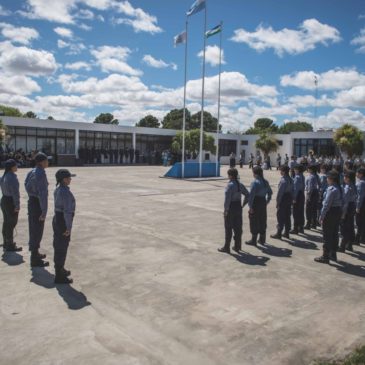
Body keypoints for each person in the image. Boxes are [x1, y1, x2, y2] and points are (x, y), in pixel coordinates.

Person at [25, 152, 49, 267]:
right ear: (41, 162)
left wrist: (32, 193)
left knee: (33, 228)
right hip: (37, 204)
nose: (47, 162)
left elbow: (25, 184)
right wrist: (44, 211)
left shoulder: (31, 171)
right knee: (37, 230)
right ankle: (34, 258)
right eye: (46, 160)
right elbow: (43, 194)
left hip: (32, 201)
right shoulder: (41, 174)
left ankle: (36, 253)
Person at [53, 169, 76, 284]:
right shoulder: (64, 192)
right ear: (63, 179)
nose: (70, 179)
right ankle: (59, 275)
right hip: (63, 219)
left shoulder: (58, 189)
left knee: (58, 245)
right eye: (68, 178)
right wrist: (68, 227)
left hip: (57, 218)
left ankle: (60, 269)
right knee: (61, 247)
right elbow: (67, 211)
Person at [218, 168, 249, 254]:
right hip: (238, 207)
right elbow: (247, 194)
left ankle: (226, 247)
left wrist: (226, 210)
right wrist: (243, 204)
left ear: (230, 176)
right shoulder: (240, 184)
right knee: (238, 228)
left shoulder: (230, 185)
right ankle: (237, 246)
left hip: (231, 207)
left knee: (228, 228)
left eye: (228, 175)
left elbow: (227, 200)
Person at [315, 170, 343, 263]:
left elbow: (326, 205)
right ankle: (333, 254)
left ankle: (325, 256)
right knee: (334, 233)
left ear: (331, 179)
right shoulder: (339, 188)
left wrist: (321, 216)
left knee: (327, 234)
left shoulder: (331, 189)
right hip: (337, 212)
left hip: (330, 213)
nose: (326, 179)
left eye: (328, 177)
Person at [245, 166, 272, 246]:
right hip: (263, 201)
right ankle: (262, 239)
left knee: (254, 221)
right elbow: (270, 192)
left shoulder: (255, 182)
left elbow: (251, 196)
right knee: (262, 219)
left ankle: (253, 240)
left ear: (255, 174)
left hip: (256, 202)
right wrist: (267, 201)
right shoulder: (265, 182)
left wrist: (250, 207)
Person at [0, 159, 22, 252]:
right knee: (11, 223)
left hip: (4, 200)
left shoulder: (3, 176)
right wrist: (17, 205)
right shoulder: (12, 177)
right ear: (11, 167)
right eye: (15, 165)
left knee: (6, 222)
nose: (17, 166)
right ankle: (9, 245)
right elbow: (15, 193)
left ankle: (6, 242)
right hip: (10, 201)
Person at [271, 165, 293, 240]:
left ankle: (279, 233)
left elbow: (280, 193)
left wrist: (278, 202)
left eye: (281, 170)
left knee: (280, 216)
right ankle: (286, 232)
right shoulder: (290, 179)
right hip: (289, 198)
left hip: (283, 198)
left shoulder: (283, 180)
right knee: (287, 215)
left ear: (283, 171)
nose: (280, 172)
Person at [339, 170, 357, 252]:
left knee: (344, 228)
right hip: (352, 207)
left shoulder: (347, 188)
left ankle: (342, 246)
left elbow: (345, 203)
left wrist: (343, 213)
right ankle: (349, 244)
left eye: (345, 176)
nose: (344, 178)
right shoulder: (353, 185)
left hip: (347, 208)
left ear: (348, 178)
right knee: (350, 226)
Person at [305, 164, 320, 230]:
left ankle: (308, 223)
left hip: (311, 194)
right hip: (316, 193)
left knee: (308, 210)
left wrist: (308, 196)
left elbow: (310, 188)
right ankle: (314, 224)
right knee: (314, 209)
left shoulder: (311, 177)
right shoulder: (317, 176)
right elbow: (320, 185)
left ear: (311, 170)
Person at [291, 165, 305, 234]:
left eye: (295, 169)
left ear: (298, 170)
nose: (294, 170)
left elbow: (295, 189)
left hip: (297, 196)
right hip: (302, 195)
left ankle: (295, 228)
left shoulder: (297, 177)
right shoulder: (302, 176)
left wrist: (294, 198)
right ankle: (301, 227)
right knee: (301, 212)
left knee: (295, 213)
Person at [355, 167, 365, 245]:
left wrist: (358, 207)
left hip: (361, 205)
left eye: (357, 173)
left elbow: (360, 196)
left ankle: (358, 239)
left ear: (361, 174)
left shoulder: (361, 183)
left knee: (359, 222)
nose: (356, 174)